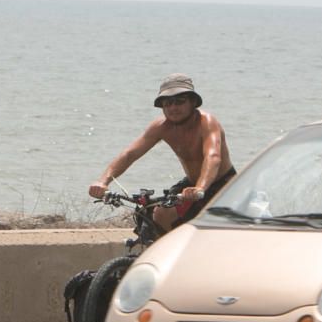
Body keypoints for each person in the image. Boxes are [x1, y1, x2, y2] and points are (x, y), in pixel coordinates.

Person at [88, 73, 235, 231]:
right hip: (190, 186)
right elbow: (129, 154)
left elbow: (213, 157)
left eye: (179, 102)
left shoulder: (206, 122)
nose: (173, 108)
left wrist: (200, 187)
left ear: (192, 102)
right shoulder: (162, 127)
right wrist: (103, 181)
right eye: (167, 103)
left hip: (221, 185)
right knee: (155, 213)